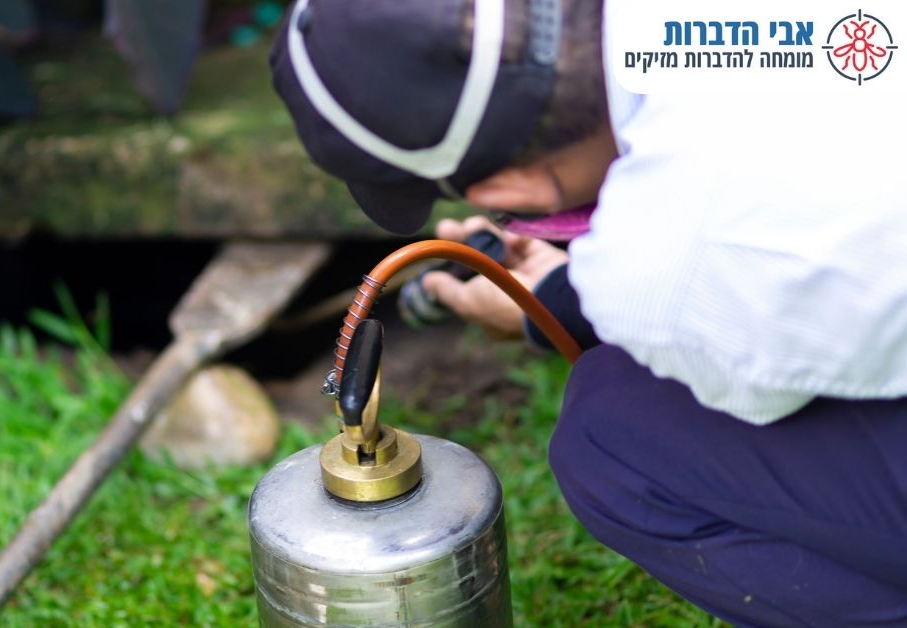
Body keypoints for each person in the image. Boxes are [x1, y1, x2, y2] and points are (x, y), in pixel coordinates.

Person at [270, 0, 907, 625]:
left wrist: (600, 281)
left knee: (610, 439)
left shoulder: (666, 260)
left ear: (507, 192)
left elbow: (750, 379)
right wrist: (574, 290)